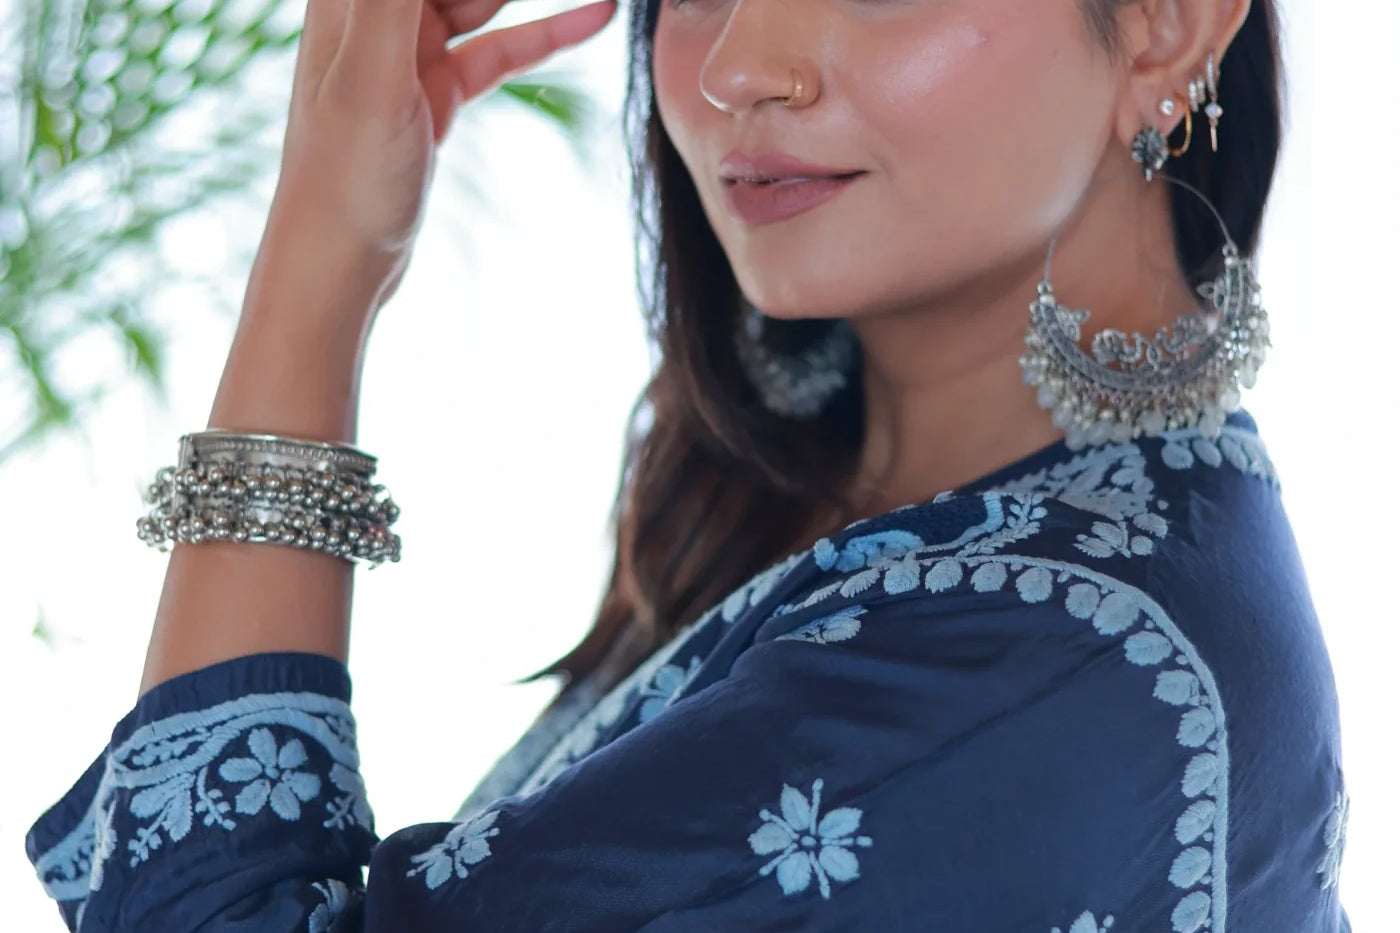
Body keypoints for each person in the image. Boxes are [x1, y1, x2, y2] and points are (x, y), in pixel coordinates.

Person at [26, 0, 1352, 929]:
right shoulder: (821, 466)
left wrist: (320, 260)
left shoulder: (1050, 661)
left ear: (1166, 24)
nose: (737, 69)